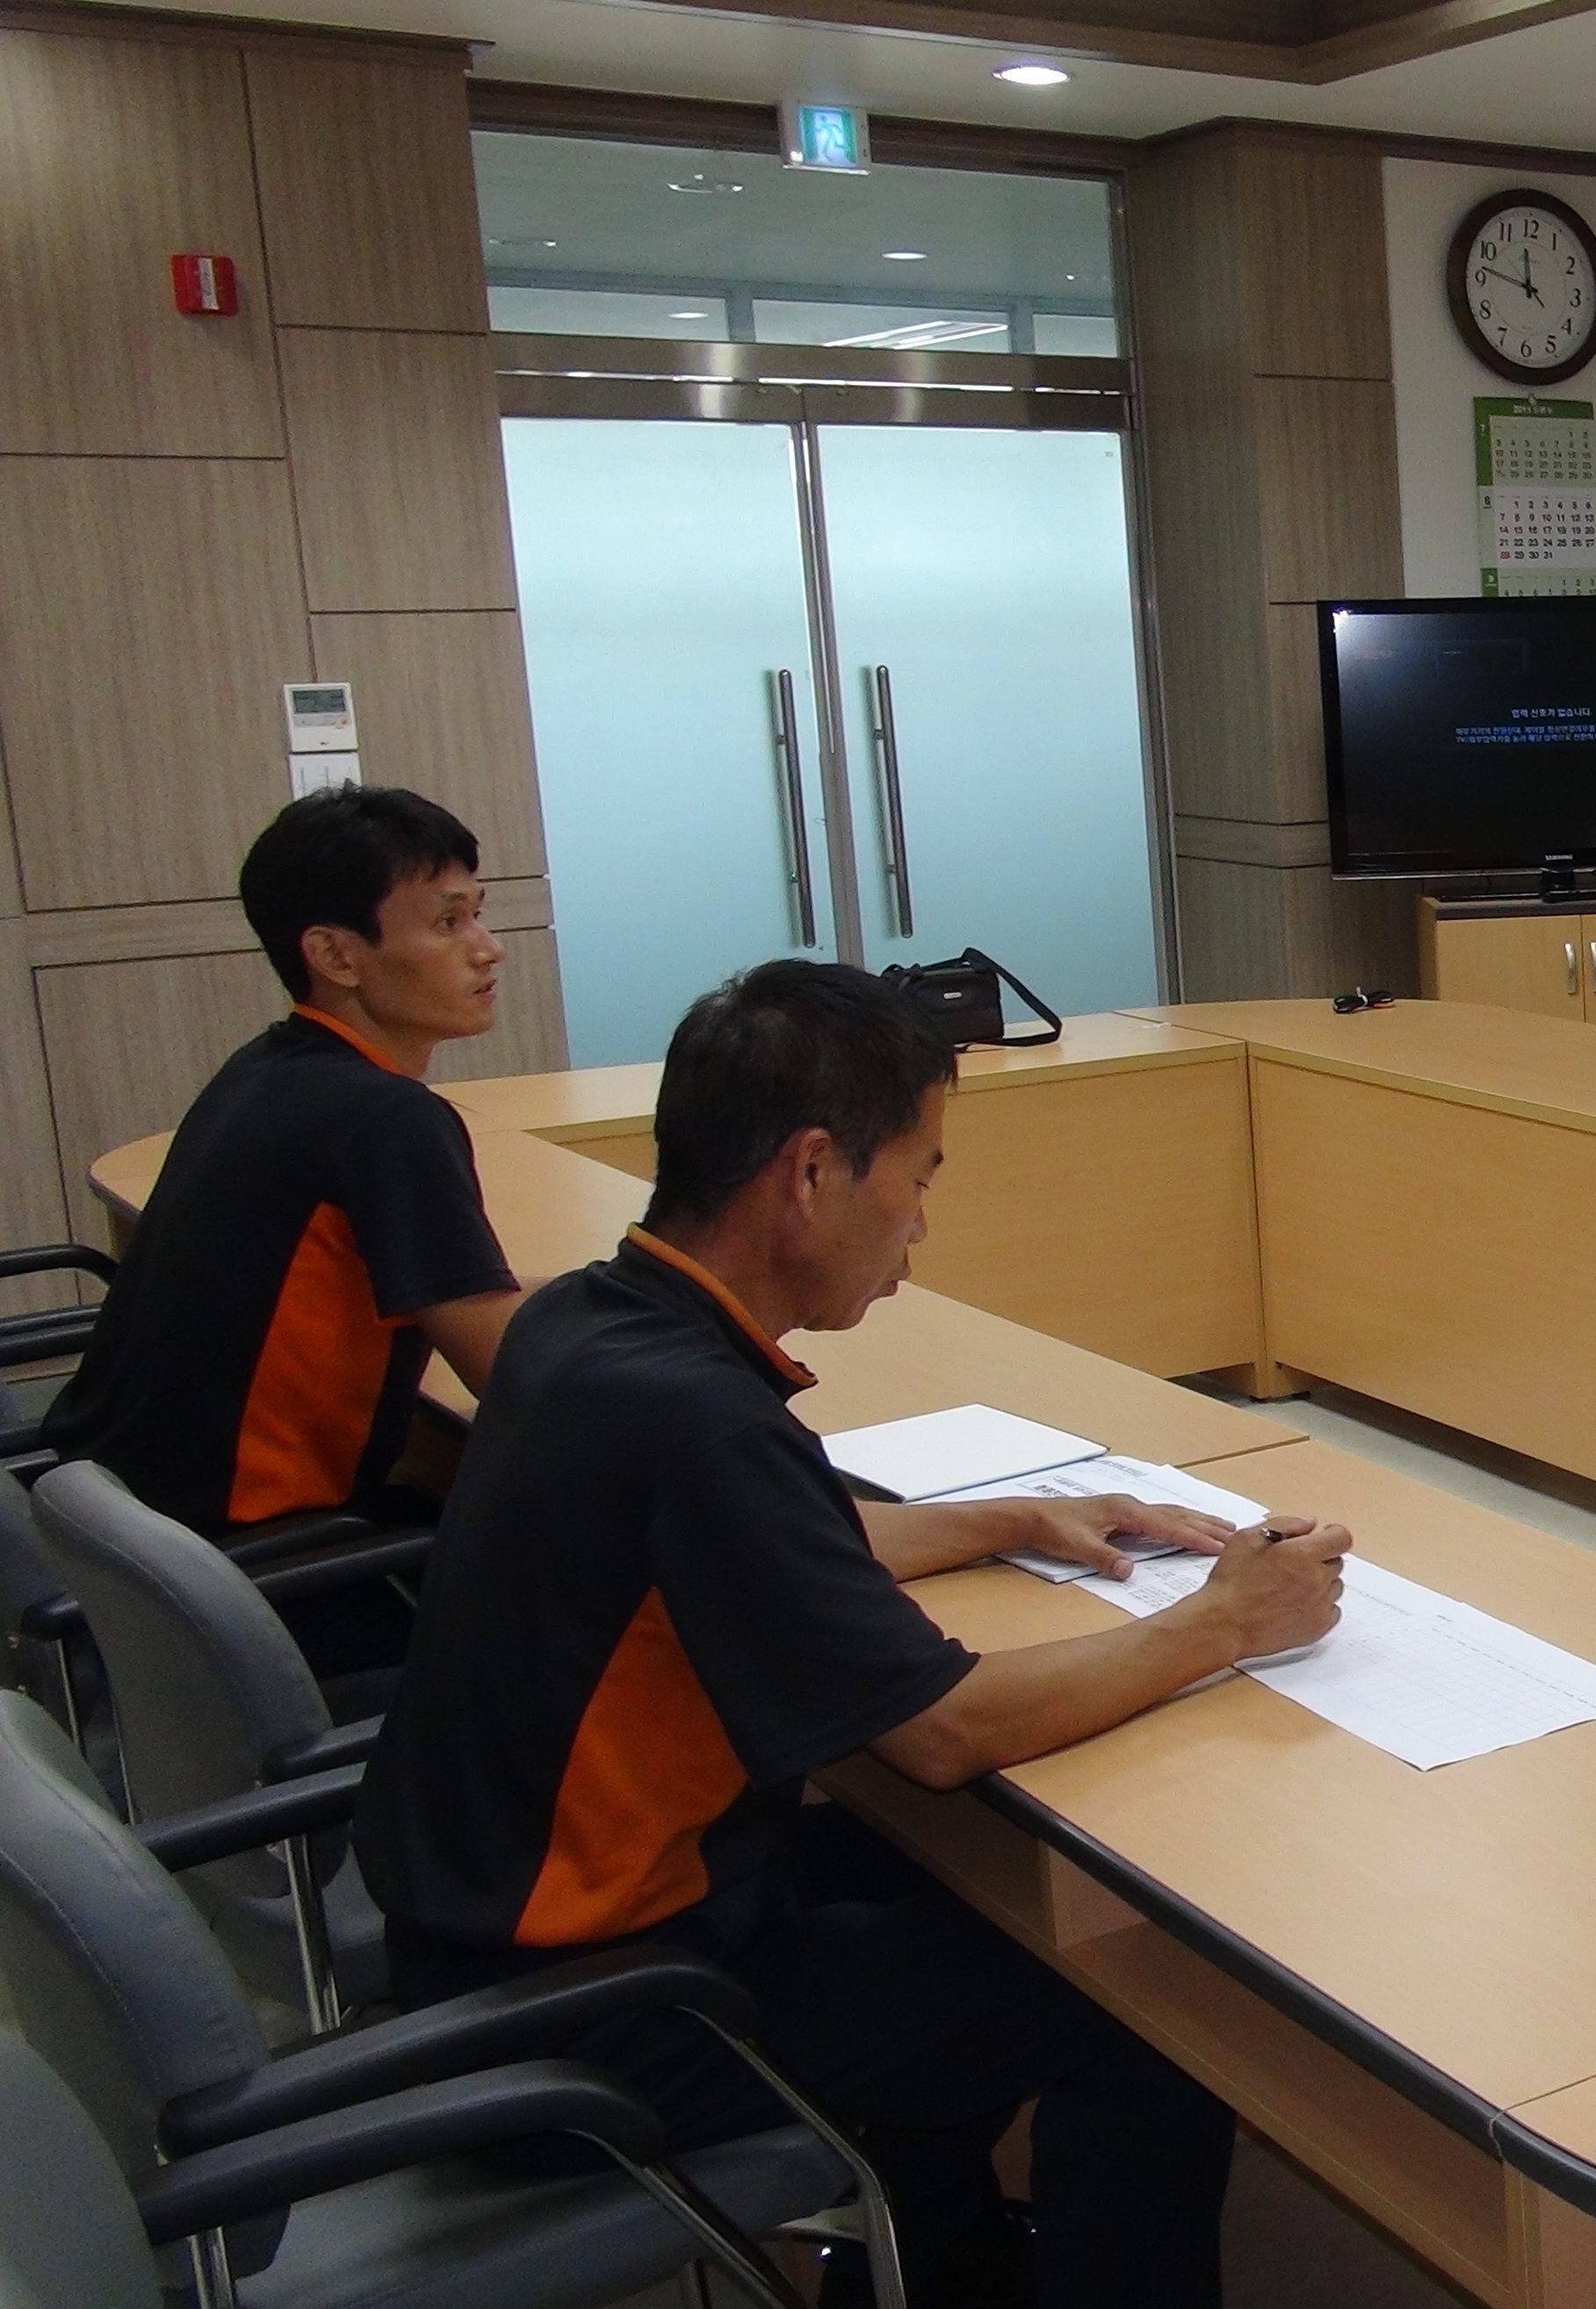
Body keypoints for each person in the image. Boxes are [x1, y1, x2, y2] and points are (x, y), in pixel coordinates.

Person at [355, 961, 1355, 2309]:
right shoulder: (700, 1420)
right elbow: (945, 1732)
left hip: (481, 1947)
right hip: (596, 2015)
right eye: (918, 1178)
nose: (919, 1227)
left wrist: (1018, 1518)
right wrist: (1222, 1621)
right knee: (1149, 2003)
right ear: (814, 1174)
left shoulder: (588, 1326)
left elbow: (775, 1543)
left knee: (978, 1894)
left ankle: (938, 2264)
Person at [40, 786, 527, 1679]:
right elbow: (519, 1374)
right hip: (258, 1577)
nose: (487, 947)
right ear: (336, 955)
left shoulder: (270, 1069)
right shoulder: (386, 1120)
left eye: (479, 913)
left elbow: (463, 1298)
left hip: (132, 1540)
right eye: (448, 922)